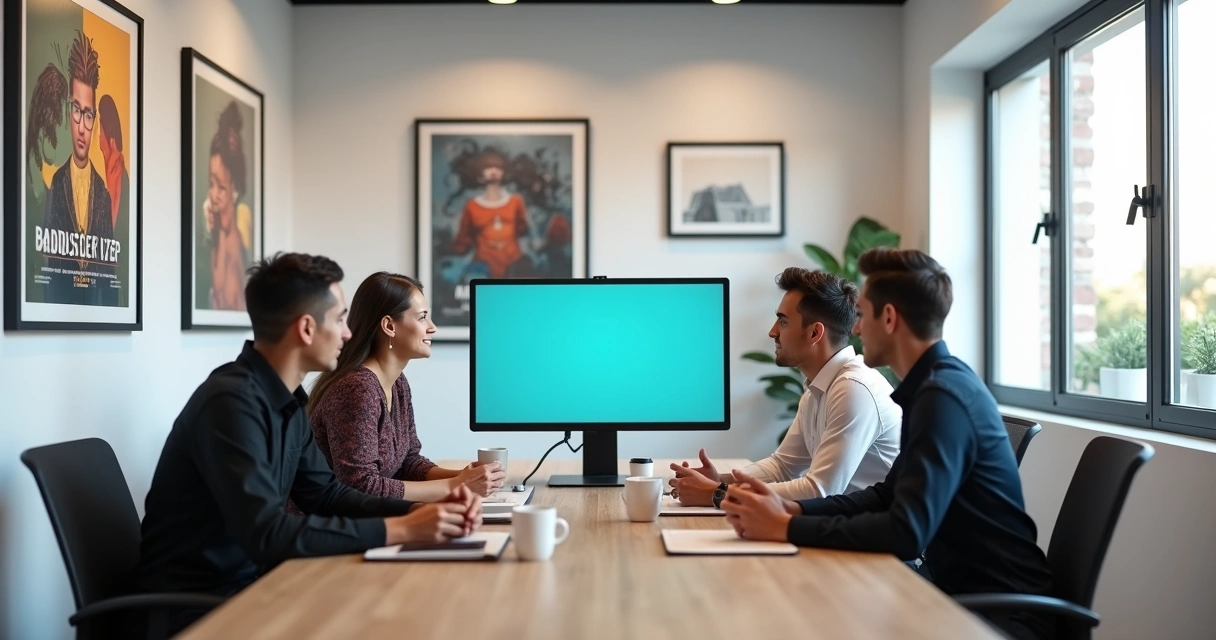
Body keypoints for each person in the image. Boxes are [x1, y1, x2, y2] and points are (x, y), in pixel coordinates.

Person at [130, 253, 481, 636]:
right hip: (203, 609)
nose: (348, 334)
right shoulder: (230, 405)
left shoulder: (286, 398)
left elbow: (327, 495)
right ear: (307, 329)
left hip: (258, 584)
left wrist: (418, 511)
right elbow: (266, 533)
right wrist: (403, 529)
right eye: (340, 319)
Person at [720, 248, 1055, 640]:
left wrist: (789, 527)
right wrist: (792, 508)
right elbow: (885, 496)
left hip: (996, 615)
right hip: (953, 593)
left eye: (862, 315)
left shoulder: (942, 397)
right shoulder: (932, 388)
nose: (856, 329)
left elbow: (905, 531)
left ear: (890, 318)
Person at [669, 268, 901, 507]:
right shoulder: (819, 387)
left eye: (783, 321)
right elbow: (783, 465)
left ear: (814, 333)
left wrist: (719, 493)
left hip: (873, 539)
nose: (773, 332)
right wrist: (721, 479)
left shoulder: (854, 389)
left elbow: (821, 490)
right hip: (842, 528)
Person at [306, 271, 507, 501]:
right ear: (389, 326)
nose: (432, 327)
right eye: (422, 318)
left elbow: (408, 462)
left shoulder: (398, 383)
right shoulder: (357, 389)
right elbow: (359, 486)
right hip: (327, 527)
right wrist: (456, 485)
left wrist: (466, 477)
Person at [41, 30, 116, 305]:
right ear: (67, 110)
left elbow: (110, 279)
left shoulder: (104, 196)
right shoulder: (55, 187)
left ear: (94, 118)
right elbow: (48, 270)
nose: (82, 127)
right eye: (76, 110)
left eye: (88, 114)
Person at [450, 148, 532, 279]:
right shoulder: (472, 205)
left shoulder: (516, 201)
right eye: (488, 167)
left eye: (498, 167)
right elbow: (464, 237)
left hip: (515, 264)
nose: (493, 171)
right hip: (483, 266)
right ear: (479, 172)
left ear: (504, 171)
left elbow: (524, 231)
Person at [203, 101, 253, 311]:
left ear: (235, 191)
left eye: (221, 187)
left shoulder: (237, 246)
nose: (213, 195)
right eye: (211, 184)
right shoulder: (216, 236)